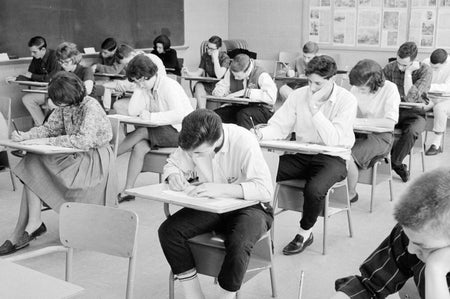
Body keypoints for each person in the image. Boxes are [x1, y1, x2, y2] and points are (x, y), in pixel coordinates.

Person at [158, 109, 274, 299]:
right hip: (213, 205)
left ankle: (225, 296)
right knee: (169, 231)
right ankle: (193, 294)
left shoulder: (244, 140)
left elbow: (264, 189)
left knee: (239, 241)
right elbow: (173, 163)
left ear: (217, 138)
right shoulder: (195, 140)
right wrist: (173, 175)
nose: (193, 156)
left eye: (198, 153)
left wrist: (221, 189)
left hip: (251, 206)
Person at [0, 71, 117, 256]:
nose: (57, 105)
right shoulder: (65, 105)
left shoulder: (91, 107)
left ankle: (25, 230)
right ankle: (33, 223)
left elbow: (84, 141)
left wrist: (48, 142)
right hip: (73, 155)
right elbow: (49, 128)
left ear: (69, 96)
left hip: (93, 160)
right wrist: (26, 136)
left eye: (59, 101)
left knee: (34, 169)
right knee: (32, 161)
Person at [254, 55, 356, 255]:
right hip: (302, 153)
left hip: (333, 157)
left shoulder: (347, 100)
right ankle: (260, 230)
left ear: (332, 80)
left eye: (318, 83)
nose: (312, 88)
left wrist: (314, 110)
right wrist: (259, 134)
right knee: (261, 173)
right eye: (309, 82)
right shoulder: (299, 95)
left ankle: (305, 232)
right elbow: (279, 127)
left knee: (314, 189)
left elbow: (333, 139)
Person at [332, 167, 450, 299]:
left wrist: (435, 271)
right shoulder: (416, 233)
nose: (410, 249)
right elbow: (370, 285)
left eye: (423, 246)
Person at [116, 54, 193, 203]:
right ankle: (128, 190)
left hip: (182, 131)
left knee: (142, 131)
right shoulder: (147, 87)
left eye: (140, 81)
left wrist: (151, 117)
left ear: (147, 75)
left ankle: (109, 157)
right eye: (136, 83)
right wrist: (139, 88)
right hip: (164, 130)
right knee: (139, 146)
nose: (139, 85)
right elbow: (132, 111)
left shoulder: (168, 86)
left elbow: (179, 114)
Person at [346, 59, 400, 203]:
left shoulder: (390, 89)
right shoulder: (356, 88)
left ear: (374, 82)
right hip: (358, 131)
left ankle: (350, 194)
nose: (359, 90)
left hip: (381, 136)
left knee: (346, 154)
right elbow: (350, 112)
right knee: (335, 148)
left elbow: (389, 124)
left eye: (362, 88)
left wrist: (359, 122)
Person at [383, 41, 432, 182]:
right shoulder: (389, 68)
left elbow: (411, 98)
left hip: (415, 113)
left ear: (414, 61)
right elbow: (380, 90)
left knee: (412, 131)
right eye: (398, 62)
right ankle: (396, 164)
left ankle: (395, 163)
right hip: (394, 110)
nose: (400, 67)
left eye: (405, 65)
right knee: (380, 127)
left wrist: (408, 74)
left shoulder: (425, 71)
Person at [212, 54, 277, 129]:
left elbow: (272, 97)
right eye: (234, 75)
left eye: (239, 76)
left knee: (243, 115)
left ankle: (246, 139)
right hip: (241, 106)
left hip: (262, 109)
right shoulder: (232, 71)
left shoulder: (261, 74)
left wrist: (247, 92)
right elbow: (224, 84)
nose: (235, 78)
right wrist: (219, 90)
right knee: (216, 115)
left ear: (247, 71)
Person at [104, 44, 166, 116]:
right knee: (119, 105)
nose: (128, 66)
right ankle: (141, 126)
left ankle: (143, 125)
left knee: (120, 106)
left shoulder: (147, 60)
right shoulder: (140, 59)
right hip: (147, 96)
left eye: (128, 63)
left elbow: (140, 84)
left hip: (155, 99)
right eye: (126, 65)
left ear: (133, 54)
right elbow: (134, 83)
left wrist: (119, 85)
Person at [14, 36, 60, 126]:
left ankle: (44, 128)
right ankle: (43, 127)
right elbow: (30, 75)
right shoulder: (36, 57)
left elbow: (51, 78)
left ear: (43, 49)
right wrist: (16, 78)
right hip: (47, 90)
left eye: (34, 52)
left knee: (29, 99)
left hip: (57, 90)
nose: (32, 54)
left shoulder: (55, 57)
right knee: (27, 99)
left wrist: (33, 76)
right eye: (31, 51)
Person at [182, 35, 231, 109]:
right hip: (210, 83)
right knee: (198, 85)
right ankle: (202, 111)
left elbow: (219, 75)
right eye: (207, 47)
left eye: (212, 49)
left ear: (219, 49)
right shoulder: (205, 56)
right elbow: (199, 72)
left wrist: (215, 60)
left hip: (221, 85)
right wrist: (188, 73)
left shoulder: (225, 57)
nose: (208, 50)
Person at [422, 48, 450, 155]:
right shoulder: (425, 62)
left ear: (445, 62)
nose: (433, 69)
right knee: (418, 107)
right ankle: (417, 139)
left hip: (447, 98)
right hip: (430, 96)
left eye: (436, 67)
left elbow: (447, 87)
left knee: (440, 109)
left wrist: (427, 86)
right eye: (431, 66)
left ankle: (436, 144)